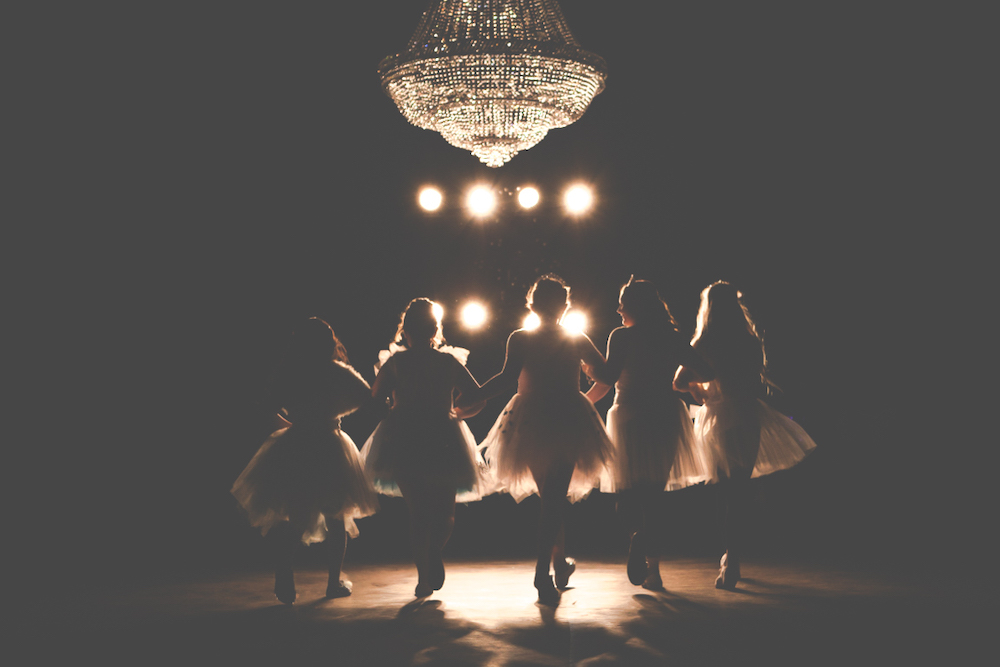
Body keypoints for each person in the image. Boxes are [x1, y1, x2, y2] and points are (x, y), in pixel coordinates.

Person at [460, 275, 614, 605]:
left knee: (551, 498)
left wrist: (475, 394)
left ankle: (557, 565)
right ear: (565, 306)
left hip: (530, 420)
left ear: (532, 305)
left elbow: (506, 379)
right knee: (553, 498)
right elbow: (607, 376)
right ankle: (544, 571)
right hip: (567, 417)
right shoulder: (576, 338)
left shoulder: (521, 338)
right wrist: (587, 390)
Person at [673, 281, 817, 589]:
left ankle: (730, 558)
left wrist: (702, 393)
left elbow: (679, 381)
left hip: (719, 418)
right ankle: (733, 556)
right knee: (739, 491)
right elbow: (753, 382)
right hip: (748, 414)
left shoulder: (704, 342)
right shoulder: (749, 340)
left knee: (724, 491)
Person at [231, 317, 378, 604]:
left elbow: (266, 407)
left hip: (297, 445)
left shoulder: (290, 372)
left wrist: (292, 424)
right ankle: (333, 582)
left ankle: (284, 570)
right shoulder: (335, 371)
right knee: (336, 518)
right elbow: (365, 395)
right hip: (330, 445)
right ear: (329, 343)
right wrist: (335, 412)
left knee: (298, 515)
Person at [584, 277, 715, 590]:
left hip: (629, 416)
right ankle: (653, 572)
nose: (618, 310)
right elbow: (707, 371)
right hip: (665, 416)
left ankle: (636, 535)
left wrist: (587, 365)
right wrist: (684, 380)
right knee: (654, 496)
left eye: (622, 304)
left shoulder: (621, 336)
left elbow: (608, 377)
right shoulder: (670, 336)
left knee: (626, 492)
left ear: (633, 306)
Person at [360, 298, 489, 598]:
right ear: (435, 329)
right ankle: (434, 551)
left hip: (404, 435)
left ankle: (423, 578)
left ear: (405, 331)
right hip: (443, 435)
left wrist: (390, 408)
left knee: (418, 513)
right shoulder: (448, 362)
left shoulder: (396, 363)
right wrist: (457, 414)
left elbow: (374, 398)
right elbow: (478, 397)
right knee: (445, 512)